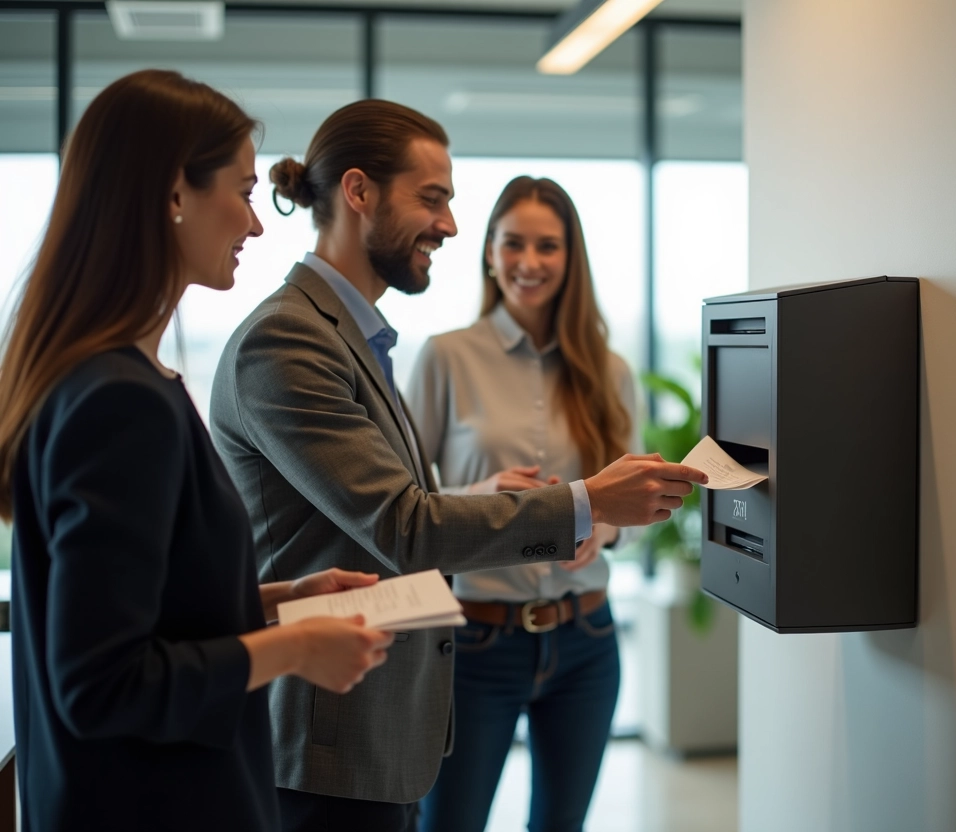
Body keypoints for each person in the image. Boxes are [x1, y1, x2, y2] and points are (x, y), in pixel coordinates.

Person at [209, 99, 707, 832]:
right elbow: (409, 521)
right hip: (338, 730)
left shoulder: (358, 338)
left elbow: (398, 509)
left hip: (502, 662)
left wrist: (602, 518)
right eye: (433, 199)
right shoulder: (290, 342)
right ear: (358, 193)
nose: (448, 225)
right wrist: (587, 501)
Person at [0, 70, 396, 831]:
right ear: (173, 194)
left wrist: (280, 605)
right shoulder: (119, 401)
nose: (254, 224)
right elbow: (104, 682)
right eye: (243, 191)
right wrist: (295, 651)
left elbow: (141, 614)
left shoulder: (104, 377)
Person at [406, 176, 639, 832]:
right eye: (513, 243)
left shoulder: (610, 370)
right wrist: (477, 496)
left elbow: (637, 504)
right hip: (476, 642)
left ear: (571, 259)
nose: (529, 262)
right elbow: (403, 504)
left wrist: (609, 532)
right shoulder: (445, 357)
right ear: (488, 252)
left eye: (548, 246)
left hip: (587, 639)